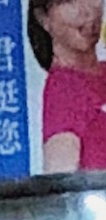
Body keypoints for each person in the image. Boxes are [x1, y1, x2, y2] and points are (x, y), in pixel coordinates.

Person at [28, 0, 106, 172]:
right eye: (70, 2)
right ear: (43, 18)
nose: (87, 10)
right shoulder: (63, 89)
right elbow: (61, 178)